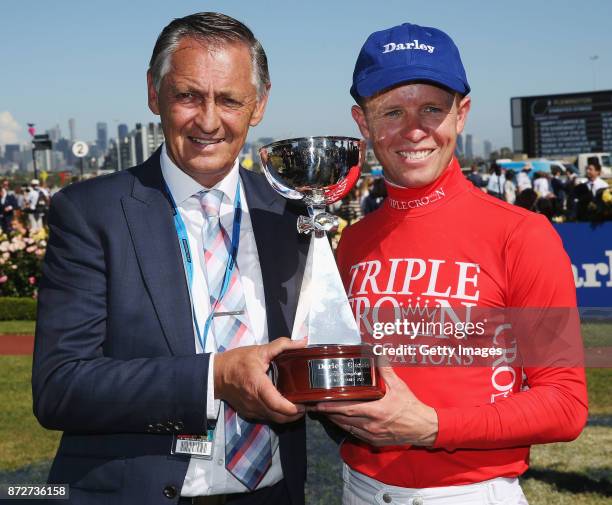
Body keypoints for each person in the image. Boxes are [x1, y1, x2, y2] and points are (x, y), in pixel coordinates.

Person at [32, 12, 309, 505]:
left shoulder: (290, 213)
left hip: (272, 493)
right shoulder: (91, 213)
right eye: (188, 96)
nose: (208, 120)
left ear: (259, 104)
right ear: (153, 93)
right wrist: (214, 378)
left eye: (229, 99)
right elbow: (60, 386)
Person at [314, 22, 587, 504]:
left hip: (470, 493)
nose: (414, 129)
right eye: (392, 111)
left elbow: (566, 404)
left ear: (461, 115)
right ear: (363, 123)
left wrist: (432, 427)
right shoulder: (352, 241)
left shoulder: (521, 234)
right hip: (358, 490)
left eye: (432, 109)